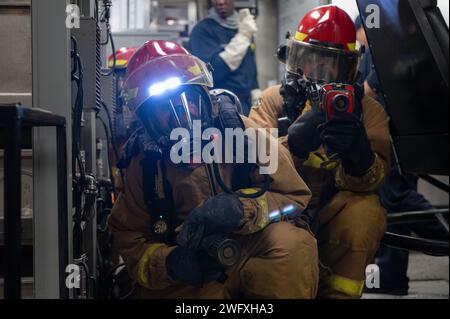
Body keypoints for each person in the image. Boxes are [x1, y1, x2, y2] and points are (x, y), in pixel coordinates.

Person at [108, 40, 319, 299]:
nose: (182, 117)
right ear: (146, 119)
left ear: (207, 98)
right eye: (164, 108)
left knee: (293, 245)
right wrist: (172, 263)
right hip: (189, 270)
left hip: (247, 246)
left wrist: (241, 208)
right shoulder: (142, 165)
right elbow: (129, 239)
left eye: (188, 100)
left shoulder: (244, 134)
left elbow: (294, 197)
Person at [249, 5, 390, 299]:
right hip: (281, 211)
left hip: (330, 212)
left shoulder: (366, 112)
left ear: (347, 68)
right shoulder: (273, 102)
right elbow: (250, 170)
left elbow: (375, 182)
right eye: (310, 58)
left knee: (366, 212)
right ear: (295, 58)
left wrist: (361, 160)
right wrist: (292, 145)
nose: (319, 70)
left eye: (331, 62)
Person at [354, 15, 440, 296]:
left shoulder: (389, 31)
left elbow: (373, 86)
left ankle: (444, 233)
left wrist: (366, 91)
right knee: (389, 204)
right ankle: (390, 274)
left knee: (398, 198)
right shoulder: (376, 38)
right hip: (390, 128)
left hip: (397, 127)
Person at [189, 0, 260, 115]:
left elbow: (250, 63)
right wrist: (242, 38)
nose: (221, 2)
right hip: (219, 104)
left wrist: (256, 90)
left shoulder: (243, 27)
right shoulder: (202, 30)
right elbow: (211, 71)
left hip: (245, 103)